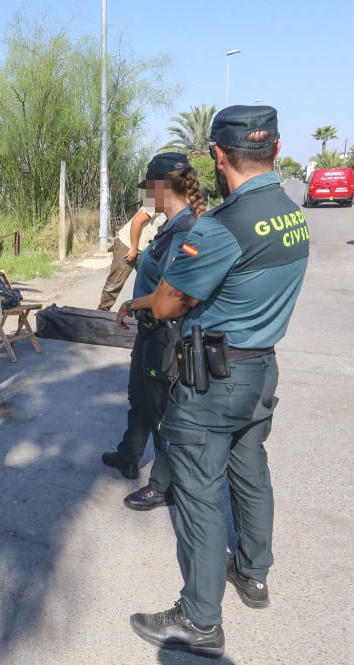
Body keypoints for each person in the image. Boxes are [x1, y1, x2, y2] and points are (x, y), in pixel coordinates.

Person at [126, 106, 309, 658]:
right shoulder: (292, 214)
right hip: (260, 371)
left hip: (212, 379)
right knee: (250, 473)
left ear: (218, 155)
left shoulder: (223, 227)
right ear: (276, 150)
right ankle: (253, 574)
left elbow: (164, 303)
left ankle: (201, 620)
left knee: (200, 497)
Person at [102, 152, 205, 511]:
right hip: (149, 331)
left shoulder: (185, 229)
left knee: (161, 410)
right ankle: (129, 455)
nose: (146, 194)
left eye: (149, 187)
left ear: (163, 187)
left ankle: (164, 484)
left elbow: (173, 294)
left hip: (165, 332)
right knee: (140, 398)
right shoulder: (167, 225)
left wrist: (133, 304)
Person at [97, 205, 165, 310]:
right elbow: (136, 221)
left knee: (151, 283)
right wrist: (133, 247)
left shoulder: (176, 203)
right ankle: (101, 312)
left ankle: (148, 315)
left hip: (145, 249)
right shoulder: (159, 196)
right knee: (115, 283)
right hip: (128, 244)